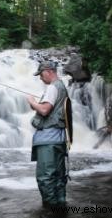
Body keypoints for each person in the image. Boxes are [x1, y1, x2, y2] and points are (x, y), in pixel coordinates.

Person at [27, 61, 68, 208]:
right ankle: (61, 207)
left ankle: (51, 210)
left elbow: (44, 110)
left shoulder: (52, 87)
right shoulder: (62, 87)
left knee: (45, 177)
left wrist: (32, 102)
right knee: (58, 177)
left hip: (48, 140)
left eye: (41, 74)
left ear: (48, 71)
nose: (40, 78)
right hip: (59, 139)